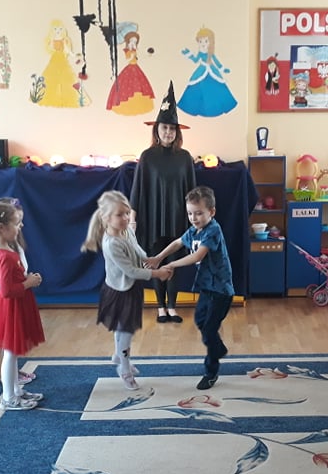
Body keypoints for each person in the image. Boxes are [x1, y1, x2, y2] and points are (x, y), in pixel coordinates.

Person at [81, 190, 173, 390]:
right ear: (107, 218)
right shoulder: (111, 243)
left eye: (126, 213)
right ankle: (124, 369)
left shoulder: (126, 230)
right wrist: (157, 273)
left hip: (130, 288)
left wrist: (149, 259)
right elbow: (130, 271)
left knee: (122, 327)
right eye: (119, 215)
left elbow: (136, 247)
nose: (125, 218)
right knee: (126, 330)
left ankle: (118, 355)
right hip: (120, 291)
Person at [149, 186, 234, 390]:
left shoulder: (213, 230)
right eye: (190, 214)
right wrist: (159, 257)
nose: (193, 218)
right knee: (200, 321)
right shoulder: (195, 230)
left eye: (198, 213)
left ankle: (211, 372)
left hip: (221, 290)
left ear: (211, 212)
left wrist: (171, 265)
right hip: (207, 287)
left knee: (209, 331)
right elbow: (178, 243)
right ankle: (218, 348)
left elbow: (197, 256)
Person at [131, 81, 196, 324]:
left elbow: (192, 191)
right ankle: (160, 307)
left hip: (178, 219)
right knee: (156, 262)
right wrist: (134, 221)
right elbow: (137, 190)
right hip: (154, 219)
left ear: (177, 132)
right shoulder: (147, 157)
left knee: (174, 263)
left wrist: (195, 222)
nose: (168, 132)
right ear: (157, 129)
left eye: (172, 128)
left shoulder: (185, 158)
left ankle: (172, 307)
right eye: (164, 127)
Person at [0, 198, 46, 410]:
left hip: (14, 306)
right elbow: (7, 290)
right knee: (10, 353)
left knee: (13, 351)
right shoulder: (6, 256)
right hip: (11, 308)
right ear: (2, 227)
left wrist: (26, 279)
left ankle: (16, 390)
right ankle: (8, 397)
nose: (19, 227)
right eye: (16, 223)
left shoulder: (1, 251)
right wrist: (29, 283)